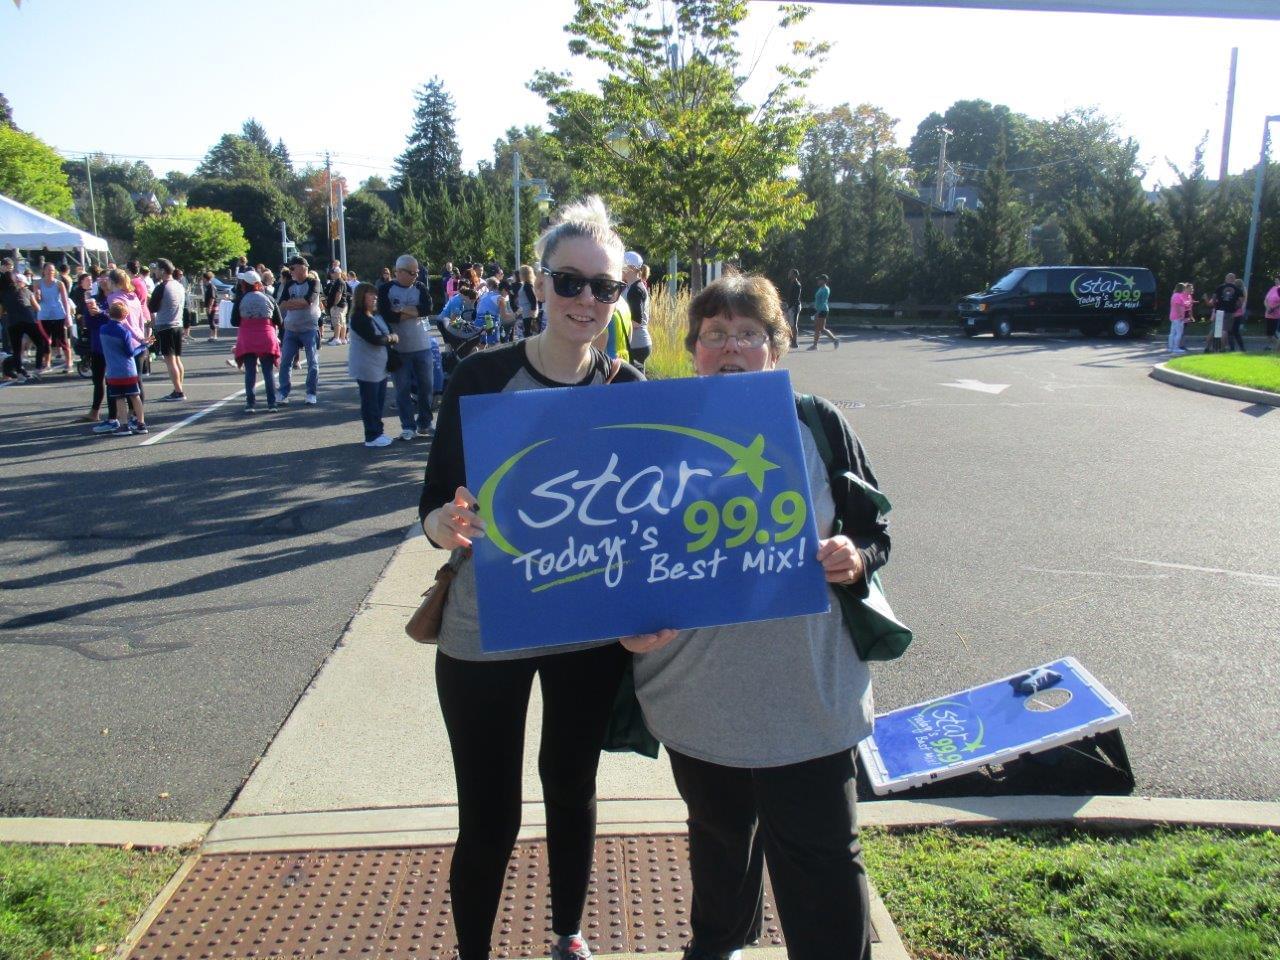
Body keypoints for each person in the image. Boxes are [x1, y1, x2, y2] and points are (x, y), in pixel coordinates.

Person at [625, 272, 889, 960]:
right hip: (696, 696)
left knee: (822, 861)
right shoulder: (651, 433)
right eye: (716, 334)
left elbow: (874, 531)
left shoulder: (818, 424)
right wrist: (625, 620)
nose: (732, 347)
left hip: (805, 697)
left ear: (776, 348)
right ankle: (718, 945)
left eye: (749, 333)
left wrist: (854, 557)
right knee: (718, 843)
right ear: (694, 350)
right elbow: (621, 554)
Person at [418, 196, 642, 960]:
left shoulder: (628, 387)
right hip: (487, 626)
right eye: (569, 282)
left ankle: (567, 933)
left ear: (620, 295)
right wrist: (444, 526)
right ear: (538, 284)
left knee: (571, 789)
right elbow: (432, 504)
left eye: (603, 288)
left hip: (586, 628)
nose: (587, 301)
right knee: (489, 815)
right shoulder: (481, 379)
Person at [377, 254, 436, 439]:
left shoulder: (420, 287)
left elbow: (428, 308)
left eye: (416, 272)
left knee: (427, 386)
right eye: (411, 273)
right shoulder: (386, 289)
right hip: (399, 349)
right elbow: (388, 315)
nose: (415, 276)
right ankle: (408, 426)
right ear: (399, 272)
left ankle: (425, 423)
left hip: (422, 345)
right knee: (402, 389)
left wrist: (402, 309)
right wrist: (413, 311)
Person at [347, 281, 396, 447]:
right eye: (371, 294)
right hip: (366, 366)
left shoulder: (375, 316)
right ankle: (371, 435)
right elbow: (375, 339)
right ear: (362, 297)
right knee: (370, 402)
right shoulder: (358, 318)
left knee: (378, 400)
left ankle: (378, 431)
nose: (375, 297)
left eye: (375, 294)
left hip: (378, 366)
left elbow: (386, 331)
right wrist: (391, 338)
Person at [94, 301, 151, 435]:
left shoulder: (103, 329)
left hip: (113, 371)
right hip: (128, 370)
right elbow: (130, 352)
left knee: (119, 398)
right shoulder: (124, 332)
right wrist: (144, 345)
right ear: (125, 315)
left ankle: (124, 425)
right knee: (134, 396)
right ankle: (141, 423)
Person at [230, 270, 283, 413]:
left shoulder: (240, 299)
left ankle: (250, 404)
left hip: (248, 337)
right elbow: (279, 320)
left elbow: (234, 321)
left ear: (244, 285)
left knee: (250, 371)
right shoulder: (269, 299)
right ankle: (272, 404)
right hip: (266, 336)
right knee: (268, 371)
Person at [276, 256, 322, 405]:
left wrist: (293, 303)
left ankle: (311, 392)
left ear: (303, 268)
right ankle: (283, 392)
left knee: (312, 362)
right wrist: (296, 304)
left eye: (293, 268)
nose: (291, 271)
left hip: (309, 328)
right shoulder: (289, 284)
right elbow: (282, 304)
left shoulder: (313, 282)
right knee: (285, 362)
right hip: (291, 328)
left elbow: (307, 302)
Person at [149, 259, 187, 400]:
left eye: (157, 269)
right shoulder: (178, 285)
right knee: (176, 359)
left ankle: (178, 391)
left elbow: (152, 307)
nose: (155, 271)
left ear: (163, 271)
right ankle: (179, 388)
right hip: (178, 324)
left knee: (170, 360)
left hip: (166, 325)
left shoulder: (162, 286)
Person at [1, 272, 46, 381]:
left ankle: (20, 371)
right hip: (28, 320)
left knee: (16, 350)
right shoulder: (25, 291)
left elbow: (1, 312)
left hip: (13, 322)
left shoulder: (2, 294)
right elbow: (37, 308)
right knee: (40, 343)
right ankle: (38, 368)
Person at [34, 262, 73, 372]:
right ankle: (47, 363)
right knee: (45, 341)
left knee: (62, 340)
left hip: (58, 314)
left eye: (52, 270)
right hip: (43, 315)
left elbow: (65, 300)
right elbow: (35, 300)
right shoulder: (37, 283)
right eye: (48, 270)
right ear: (43, 271)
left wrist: (68, 316)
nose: (50, 272)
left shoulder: (59, 283)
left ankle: (68, 363)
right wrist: (37, 296)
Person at [622, 251, 651, 370]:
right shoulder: (631, 287)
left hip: (637, 344)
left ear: (631, 268)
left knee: (636, 384)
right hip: (637, 343)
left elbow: (636, 321)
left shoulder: (636, 290)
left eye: (622, 266)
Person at [1210, 273, 1241, 353]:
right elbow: (1240, 302)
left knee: (1217, 330)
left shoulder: (1220, 287)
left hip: (1219, 310)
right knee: (1225, 330)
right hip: (1230, 312)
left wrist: (1215, 306)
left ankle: (1215, 348)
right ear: (1234, 279)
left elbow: (1214, 298)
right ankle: (1222, 348)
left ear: (1226, 279)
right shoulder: (1237, 289)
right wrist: (1236, 308)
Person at [810, 273, 838, 349]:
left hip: (822, 310)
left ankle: (834, 340)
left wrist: (817, 312)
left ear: (823, 281)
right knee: (818, 328)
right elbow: (818, 300)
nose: (818, 281)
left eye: (819, 280)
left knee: (819, 328)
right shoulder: (821, 288)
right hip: (819, 310)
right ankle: (815, 345)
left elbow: (823, 302)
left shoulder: (825, 289)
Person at [326, 267, 350, 344]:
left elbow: (338, 294)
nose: (331, 275)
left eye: (333, 273)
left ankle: (337, 338)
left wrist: (334, 304)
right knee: (342, 322)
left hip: (338, 305)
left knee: (337, 322)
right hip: (343, 305)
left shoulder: (339, 282)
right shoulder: (340, 281)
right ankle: (343, 338)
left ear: (337, 273)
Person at [1167, 282, 1191, 354]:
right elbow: (1178, 306)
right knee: (1179, 333)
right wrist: (1181, 315)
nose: (1184, 289)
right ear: (1181, 288)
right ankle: (1175, 348)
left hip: (1173, 316)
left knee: (1172, 333)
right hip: (1178, 317)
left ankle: (1171, 347)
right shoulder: (1178, 296)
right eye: (1184, 288)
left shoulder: (1174, 295)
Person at [783, 268, 802, 348]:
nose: (789, 274)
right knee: (786, 324)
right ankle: (790, 340)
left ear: (794, 275)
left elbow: (795, 298)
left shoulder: (797, 284)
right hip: (789, 306)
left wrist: (790, 307)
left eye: (790, 273)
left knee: (793, 325)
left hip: (794, 306)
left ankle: (795, 342)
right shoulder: (790, 283)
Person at [1263, 274, 1280, 351]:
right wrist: (1268, 308)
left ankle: (1278, 347)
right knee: (1268, 333)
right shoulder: (1272, 288)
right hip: (1268, 313)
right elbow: (1266, 299)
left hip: (1275, 314)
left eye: (1278, 280)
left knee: (1272, 333)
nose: (1276, 281)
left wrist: (1273, 308)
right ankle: (1269, 346)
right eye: (1275, 280)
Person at [203, 271, 220, 341]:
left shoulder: (211, 286)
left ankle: (215, 335)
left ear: (206, 278)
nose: (202, 279)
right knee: (210, 320)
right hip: (209, 305)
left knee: (211, 320)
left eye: (203, 278)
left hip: (212, 305)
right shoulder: (207, 286)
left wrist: (210, 307)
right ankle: (211, 335)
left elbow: (212, 297)